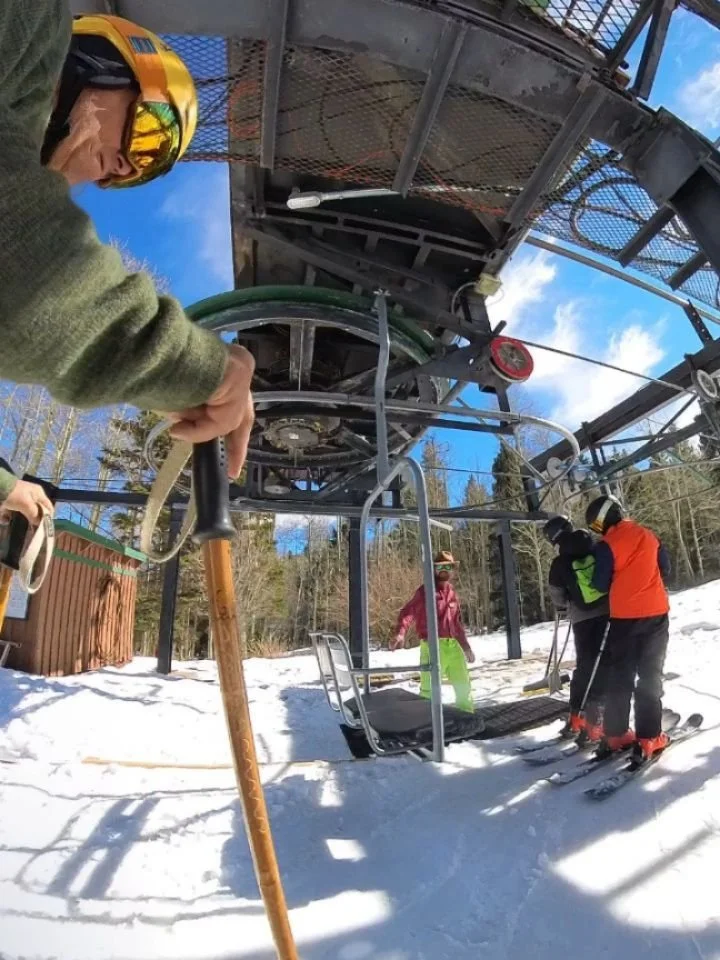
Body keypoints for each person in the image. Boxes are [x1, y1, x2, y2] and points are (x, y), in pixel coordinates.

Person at [0, 6, 255, 514]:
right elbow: (21, 287)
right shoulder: (31, 20)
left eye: (140, 172)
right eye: (148, 135)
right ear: (100, 61)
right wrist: (192, 367)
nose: (121, 167)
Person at [586, 494, 671, 762]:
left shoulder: (605, 546)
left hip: (623, 619)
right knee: (649, 676)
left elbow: (599, 584)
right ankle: (649, 737)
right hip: (655, 614)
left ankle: (616, 733)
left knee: (620, 676)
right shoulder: (649, 536)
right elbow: (665, 568)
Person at [544, 515, 609, 744]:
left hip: (581, 618)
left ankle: (576, 718)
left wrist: (564, 607)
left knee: (585, 666)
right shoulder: (596, 546)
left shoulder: (559, 562)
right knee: (602, 668)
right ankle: (596, 722)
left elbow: (557, 595)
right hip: (607, 613)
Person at [391, 551, 476, 713]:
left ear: (453, 569)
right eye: (440, 566)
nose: (444, 569)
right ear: (434, 569)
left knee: (464, 686)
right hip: (432, 647)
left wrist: (466, 647)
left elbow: (456, 624)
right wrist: (400, 632)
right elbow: (408, 612)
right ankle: (427, 724)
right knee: (429, 691)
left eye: (448, 566)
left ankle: (468, 718)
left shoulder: (452, 593)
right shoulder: (425, 591)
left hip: (454, 647)